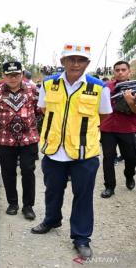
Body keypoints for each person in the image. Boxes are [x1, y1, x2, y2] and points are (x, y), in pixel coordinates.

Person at [31, 43, 112, 260]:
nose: (75, 64)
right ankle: (51, 219)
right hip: (54, 150)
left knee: (83, 196)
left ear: (87, 63)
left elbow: (104, 115)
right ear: (62, 62)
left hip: (85, 154)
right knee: (52, 190)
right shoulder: (49, 84)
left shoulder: (98, 87)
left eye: (81, 60)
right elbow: (44, 109)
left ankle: (81, 238)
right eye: (71, 59)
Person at [0, 61, 40, 220]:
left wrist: (29, 126)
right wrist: (6, 126)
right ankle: (13, 203)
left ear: (22, 74)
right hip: (5, 139)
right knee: (8, 172)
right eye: (9, 75)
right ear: (3, 75)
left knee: (28, 170)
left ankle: (28, 206)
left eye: (16, 74)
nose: (13, 78)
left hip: (29, 139)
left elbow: (40, 110)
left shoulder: (33, 90)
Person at [100, 61, 136, 198]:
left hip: (127, 128)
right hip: (107, 127)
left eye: (123, 69)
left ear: (129, 72)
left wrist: (130, 101)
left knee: (131, 157)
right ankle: (109, 186)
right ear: (113, 72)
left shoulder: (134, 87)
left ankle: (129, 175)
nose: (120, 72)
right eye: (117, 70)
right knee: (108, 158)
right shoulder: (105, 87)